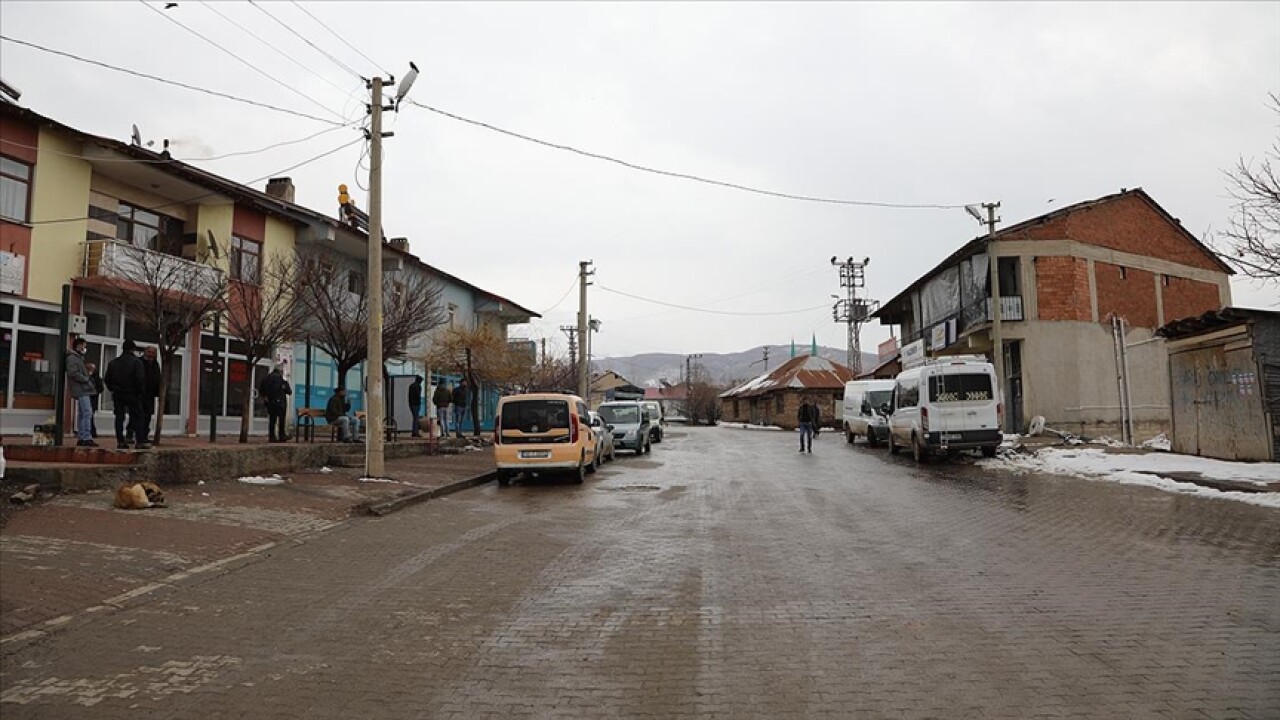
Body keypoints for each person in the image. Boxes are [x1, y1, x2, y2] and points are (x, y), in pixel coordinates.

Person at [103, 339, 147, 450]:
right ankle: (140, 441)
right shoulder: (136, 362)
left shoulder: (113, 363)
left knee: (119, 417)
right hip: (133, 394)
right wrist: (140, 392)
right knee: (138, 416)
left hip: (118, 394)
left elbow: (107, 379)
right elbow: (140, 379)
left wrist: (113, 389)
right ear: (133, 349)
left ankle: (120, 441)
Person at [65, 338, 99, 448]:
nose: (84, 348)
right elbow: (72, 372)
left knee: (83, 413)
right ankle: (86, 437)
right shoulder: (73, 358)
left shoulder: (78, 358)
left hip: (82, 388)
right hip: (81, 389)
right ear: (78, 346)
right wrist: (85, 379)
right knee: (87, 412)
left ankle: (82, 436)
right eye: (83, 346)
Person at [259, 366, 292, 442]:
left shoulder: (266, 378)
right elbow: (289, 391)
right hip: (280, 403)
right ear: (280, 371)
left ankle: (272, 437)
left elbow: (261, 390)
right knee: (281, 420)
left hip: (270, 403)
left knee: (272, 420)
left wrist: (266, 397)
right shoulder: (281, 379)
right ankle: (281, 436)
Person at [139, 345, 161, 445]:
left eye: (153, 353)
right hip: (140, 393)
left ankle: (144, 436)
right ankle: (133, 434)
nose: (151, 355)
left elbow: (157, 377)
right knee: (139, 415)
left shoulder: (155, 364)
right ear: (145, 352)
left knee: (148, 415)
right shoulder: (139, 362)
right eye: (150, 352)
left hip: (150, 394)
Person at [86, 361, 104, 438]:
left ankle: (92, 431)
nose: (90, 371)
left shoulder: (97, 378)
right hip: (86, 397)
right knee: (87, 415)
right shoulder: (85, 377)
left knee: (90, 415)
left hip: (93, 398)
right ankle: (89, 431)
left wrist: (95, 392)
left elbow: (101, 388)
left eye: (91, 369)